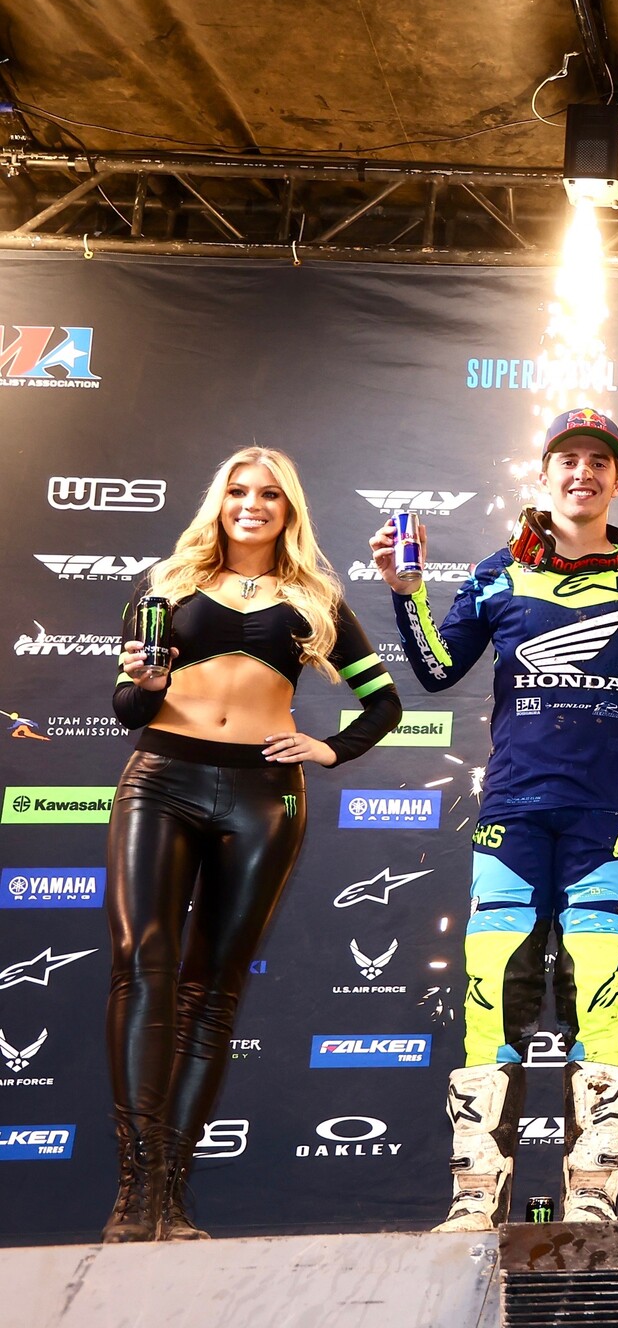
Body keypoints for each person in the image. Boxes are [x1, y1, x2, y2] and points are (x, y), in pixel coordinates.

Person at [372, 407, 618, 1230]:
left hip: (603, 820)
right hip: (511, 812)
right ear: (544, 474)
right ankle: (476, 1198)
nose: (582, 474)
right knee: (489, 993)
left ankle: (591, 1196)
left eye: (598, 462)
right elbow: (436, 670)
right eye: (568, 460)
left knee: (599, 996)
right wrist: (407, 596)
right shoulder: (499, 573)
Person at [103, 447, 402, 1242]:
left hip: (263, 798)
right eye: (238, 491)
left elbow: (384, 702)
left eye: (269, 493)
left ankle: (169, 1195)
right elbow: (127, 708)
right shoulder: (167, 586)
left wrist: (330, 748)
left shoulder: (314, 600)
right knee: (144, 965)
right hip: (162, 778)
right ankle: (134, 1194)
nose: (252, 504)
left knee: (211, 993)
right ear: (219, 501)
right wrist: (151, 685)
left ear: (288, 509)